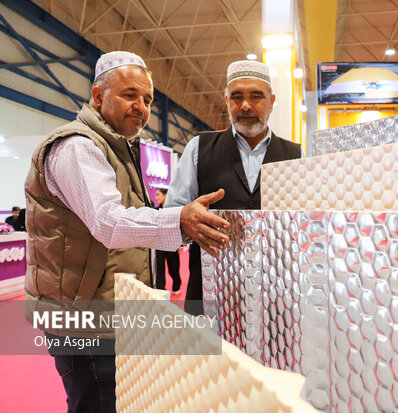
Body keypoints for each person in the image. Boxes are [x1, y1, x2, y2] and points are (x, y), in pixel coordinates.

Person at [23, 51, 230, 413]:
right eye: (130, 94)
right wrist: (179, 220)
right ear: (98, 96)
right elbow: (109, 222)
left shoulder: (117, 148)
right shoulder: (77, 146)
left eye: (147, 99)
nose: (141, 106)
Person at [166, 60, 302, 315]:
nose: (246, 106)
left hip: (277, 298)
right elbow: (172, 214)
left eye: (256, 97)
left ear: (272, 101)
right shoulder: (199, 149)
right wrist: (186, 221)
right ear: (227, 100)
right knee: (208, 356)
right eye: (237, 97)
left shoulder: (297, 155)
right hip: (209, 296)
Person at [154, 187, 182, 294]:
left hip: (172, 243)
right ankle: (161, 289)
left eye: (158, 195)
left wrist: (180, 244)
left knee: (174, 267)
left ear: (165, 196)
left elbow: (179, 226)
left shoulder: (173, 210)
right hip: (159, 244)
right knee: (159, 268)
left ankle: (176, 286)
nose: (156, 197)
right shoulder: (155, 211)